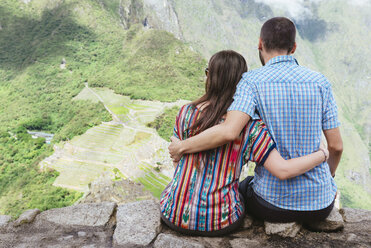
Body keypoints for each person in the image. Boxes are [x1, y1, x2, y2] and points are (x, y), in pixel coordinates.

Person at [168, 17, 343, 223]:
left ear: (260, 44)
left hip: (272, 204)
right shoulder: (320, 82)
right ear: (294, 47)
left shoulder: (251, 82)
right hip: (320, 205)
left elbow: (229, 131)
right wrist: (325, 173)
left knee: (244, 186)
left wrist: (181, 147)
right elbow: (336, 146)